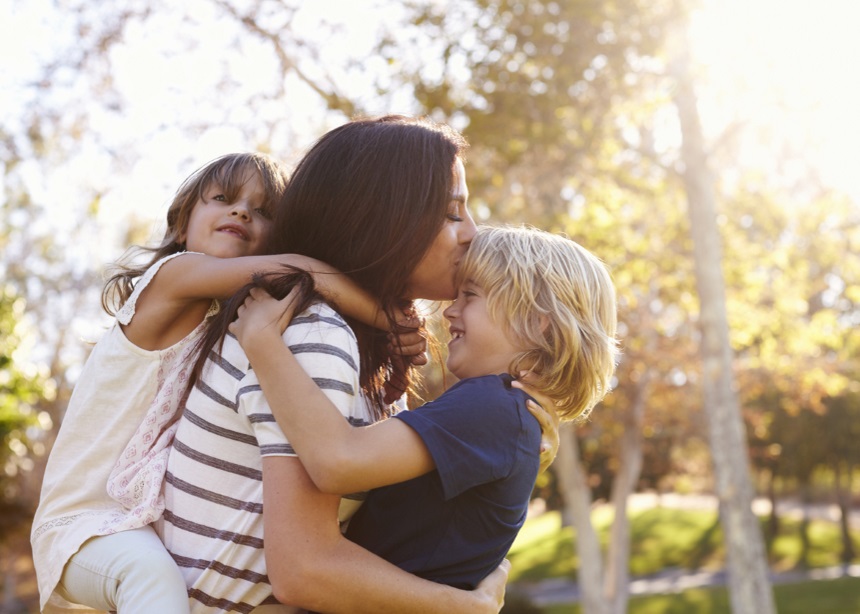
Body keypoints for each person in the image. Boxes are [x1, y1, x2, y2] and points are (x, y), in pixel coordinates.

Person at [158, 116, 558, 613]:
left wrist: (503, 441)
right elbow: (306, 571)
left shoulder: (342, 341)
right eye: (453, 212)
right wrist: (463, 607)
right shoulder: (313, 335)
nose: (471, 233)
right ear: (385, 217)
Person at [30, 152, 402, 614]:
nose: (242, 211)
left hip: (140, 520)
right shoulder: (173, 277)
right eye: (223, 198)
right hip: (83, 523)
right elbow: (300, 272)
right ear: (183, 224)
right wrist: (389, 322)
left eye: (262, 210)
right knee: (151, 579)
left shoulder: (230, 321)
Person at [231, 224, 619, 590]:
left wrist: (262, 341)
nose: (450, 311)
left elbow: (338, 460)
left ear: (538, 324)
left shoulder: (492, 405)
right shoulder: (507, 413)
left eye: (471, 295)